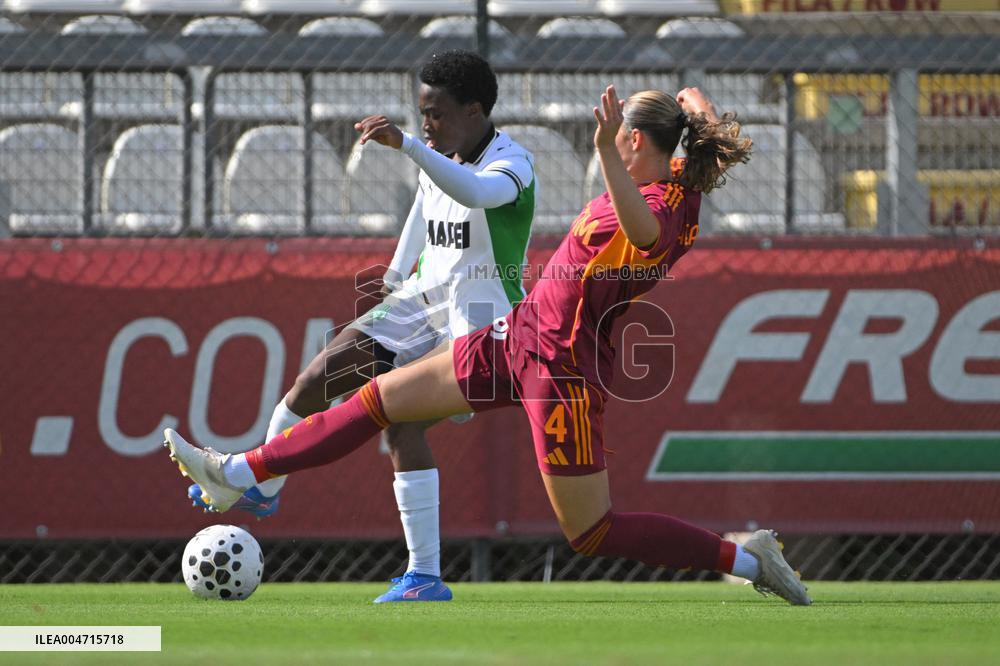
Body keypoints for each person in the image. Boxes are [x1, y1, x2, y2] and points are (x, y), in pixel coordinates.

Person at [167, 84, 812, 605]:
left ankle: (745, 557)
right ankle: (242, 472)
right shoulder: (684, 185)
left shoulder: (660, 207)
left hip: (563, 369)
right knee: (378, 399)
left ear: (634, 141)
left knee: (592, 532)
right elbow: (694, 95)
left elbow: (642, 234)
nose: (610, 143)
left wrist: (610, 151)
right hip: (520, 334)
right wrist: (685, 108)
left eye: (621, 138)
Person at [187, 49, 536, 603]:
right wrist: (395, 276)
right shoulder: (440, 152)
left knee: (402, 425)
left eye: (437, 113)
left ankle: (423, 576)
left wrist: (413, 148)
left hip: (481, 327)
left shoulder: (513, 163)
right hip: (418, 305)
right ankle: (264, 484)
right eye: (422, 113)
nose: (426, 123)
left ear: (475, 110)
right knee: (317, 377)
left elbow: (474, 194)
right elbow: (424, 212)